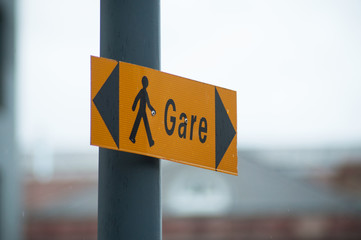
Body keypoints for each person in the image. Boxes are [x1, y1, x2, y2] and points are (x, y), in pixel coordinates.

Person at [129, 76, 156, 147]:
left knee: (138, 124)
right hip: (141, 110)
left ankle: (133, 137)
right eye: (146, 82)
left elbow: (148, 103)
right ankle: (150, 142)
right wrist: (133, 107)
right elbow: (136, 98)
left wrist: (152, 109)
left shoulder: (145, 92)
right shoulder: (142, 91)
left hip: (142, 110)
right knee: (144, 125)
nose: (146, 84)